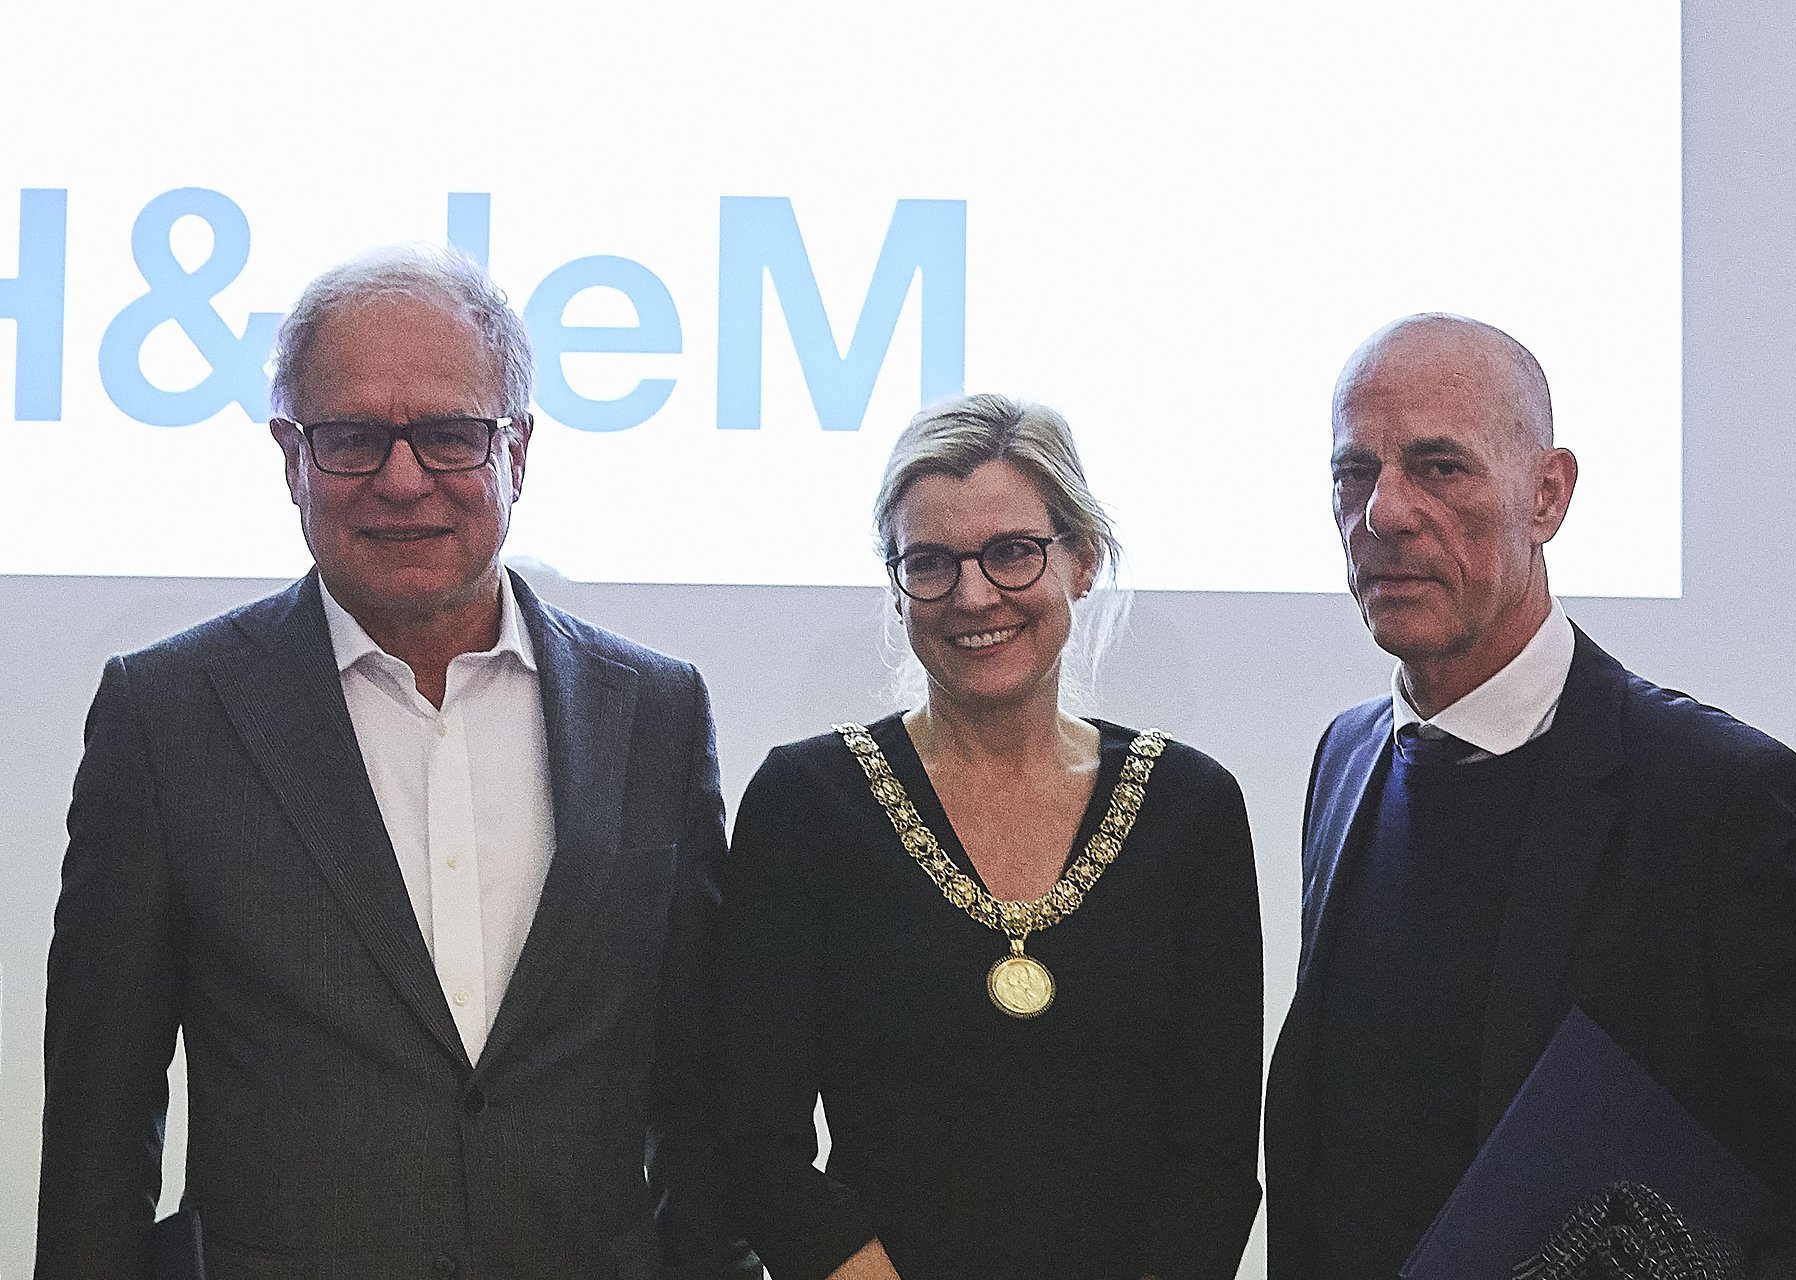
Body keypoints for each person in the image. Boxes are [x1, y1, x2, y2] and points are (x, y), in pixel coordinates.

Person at [38, 247, 756, 1280]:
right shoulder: (166, 716)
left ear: (519, 451)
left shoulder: (654, 713)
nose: (403, 477)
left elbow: (703, 1105)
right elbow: (99, 1135)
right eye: (353, 437)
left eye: (452, 435)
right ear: (290, 454)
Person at [1264, 313, 1796, 1279]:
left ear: (1548, 494)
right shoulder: (1347, 756)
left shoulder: (1721, 796)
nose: (1384, 513)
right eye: (1353, 472)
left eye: (1440, 467)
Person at [715, 394, 1263, 1280]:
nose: (973, 596)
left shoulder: (1190, 807)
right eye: (930, 563)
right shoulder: (806, 801)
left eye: (1013, 553)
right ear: (897, 589)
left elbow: (1214, 1157)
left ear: (1082, 561)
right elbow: (753, 1142)